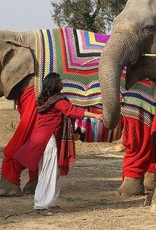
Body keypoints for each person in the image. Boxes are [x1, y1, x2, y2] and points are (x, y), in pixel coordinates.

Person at [14, 72, 103, 216]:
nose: (62, 83)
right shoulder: (57, 101)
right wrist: (96, 115)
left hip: (41, 137)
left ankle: (50, 202)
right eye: (60, 81)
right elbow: (72, 111)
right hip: (47, 138)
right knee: (48, 171)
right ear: (54, 84)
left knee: (52, 170)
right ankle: (41, 204)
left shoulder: (45, 99)